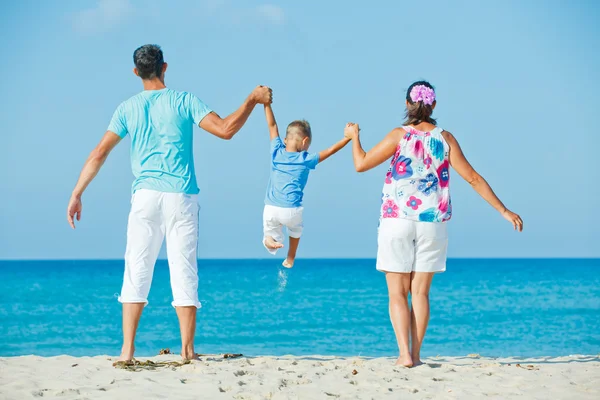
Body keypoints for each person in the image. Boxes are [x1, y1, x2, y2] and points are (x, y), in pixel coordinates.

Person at [66, 44, 272, 362]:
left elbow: (99, 153)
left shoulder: (127, 108)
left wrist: (77, 192)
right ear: (165, 67)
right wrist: (252, 100)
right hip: (180, 196)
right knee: (183, 269)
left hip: (145, 197)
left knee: (136, 269)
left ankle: (126, 351)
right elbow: (226, 129)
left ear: (136, 72)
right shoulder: (184, 100)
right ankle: (187, 351)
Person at [343, 81, 523, 367]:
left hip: (397, 219)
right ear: (434, 105)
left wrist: (353, 137)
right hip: (433, 224)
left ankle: (404, 356)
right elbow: (473, 177)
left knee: (397, 293)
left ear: (407, 104)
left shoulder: (398, 135)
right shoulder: (446, 138)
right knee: (421, 293)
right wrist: (503, 210)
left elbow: (361, 164)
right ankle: (416, 355)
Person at [262, 104, 350, 268]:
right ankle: (290, 257)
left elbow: (272, 125)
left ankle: (269, 239)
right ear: (305, 141)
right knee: (296, 231)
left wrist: (266, 104)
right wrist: (347, 138)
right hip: (291, 210)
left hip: (271, 208)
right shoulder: (306, 159)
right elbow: (330, 150)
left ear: (285, 139)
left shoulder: (276, 152)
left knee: (270, 228)